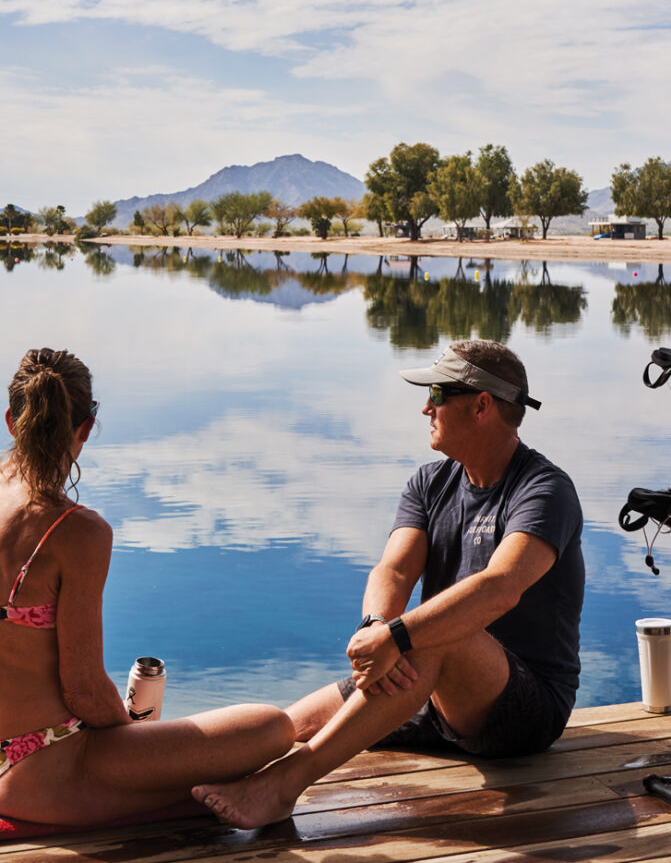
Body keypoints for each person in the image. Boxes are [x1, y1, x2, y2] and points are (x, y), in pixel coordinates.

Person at [194, 339, 584, 828]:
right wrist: (376, 625)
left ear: (482, 405)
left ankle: (285, 785)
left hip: (524, 708)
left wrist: (397, 638)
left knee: (439, 634)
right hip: (425, 682)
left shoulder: (544, 489)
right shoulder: (429, 482)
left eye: (438, 395)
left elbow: (500, 586)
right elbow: (395, 569)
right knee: (286, 726)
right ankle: (176, 790)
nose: (426, 407)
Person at [0, 348, 294, 825]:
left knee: (197, 763)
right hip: (36, 771)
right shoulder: (75, 530)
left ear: (11, 420)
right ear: (86, 428)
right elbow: (85, 692)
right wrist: (133, 736)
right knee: (273, 729)